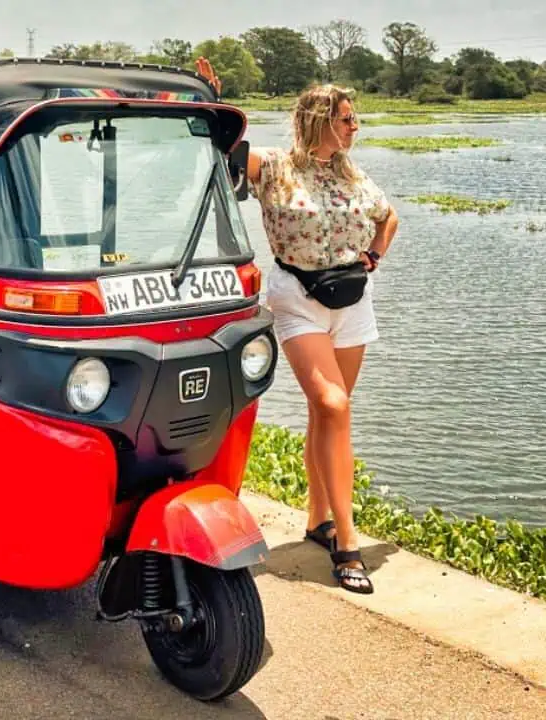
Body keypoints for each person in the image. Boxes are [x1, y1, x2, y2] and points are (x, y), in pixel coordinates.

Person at [196, 58, 399, 594]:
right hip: (297, 297)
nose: (356, 128)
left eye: (355, 120)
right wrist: (208, 98)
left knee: (325, 413)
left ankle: (317, 521)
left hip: (352, 300)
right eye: (348, 119)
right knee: (334, 406)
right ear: (320, 120)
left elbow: (388, 216)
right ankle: (348, 545)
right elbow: (217, 149)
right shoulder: (275, 167)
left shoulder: (352, 174)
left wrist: (374, 257)